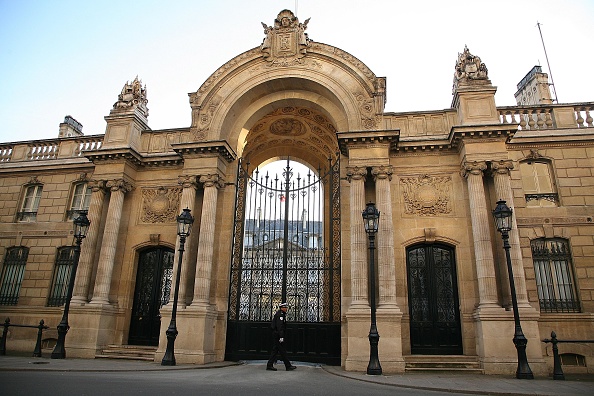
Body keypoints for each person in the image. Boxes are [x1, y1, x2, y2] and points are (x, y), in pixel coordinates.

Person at [266, 302, 296, 371]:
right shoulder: (280, 315)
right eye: (285, 307)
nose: (286, 309)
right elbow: (280, 327)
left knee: (276, 350)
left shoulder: (281, 314)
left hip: (277, 334)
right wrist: (281, 336)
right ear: (282, 308)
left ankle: (270, 365)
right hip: (278, 335)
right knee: (281, 350)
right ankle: (287, 366)